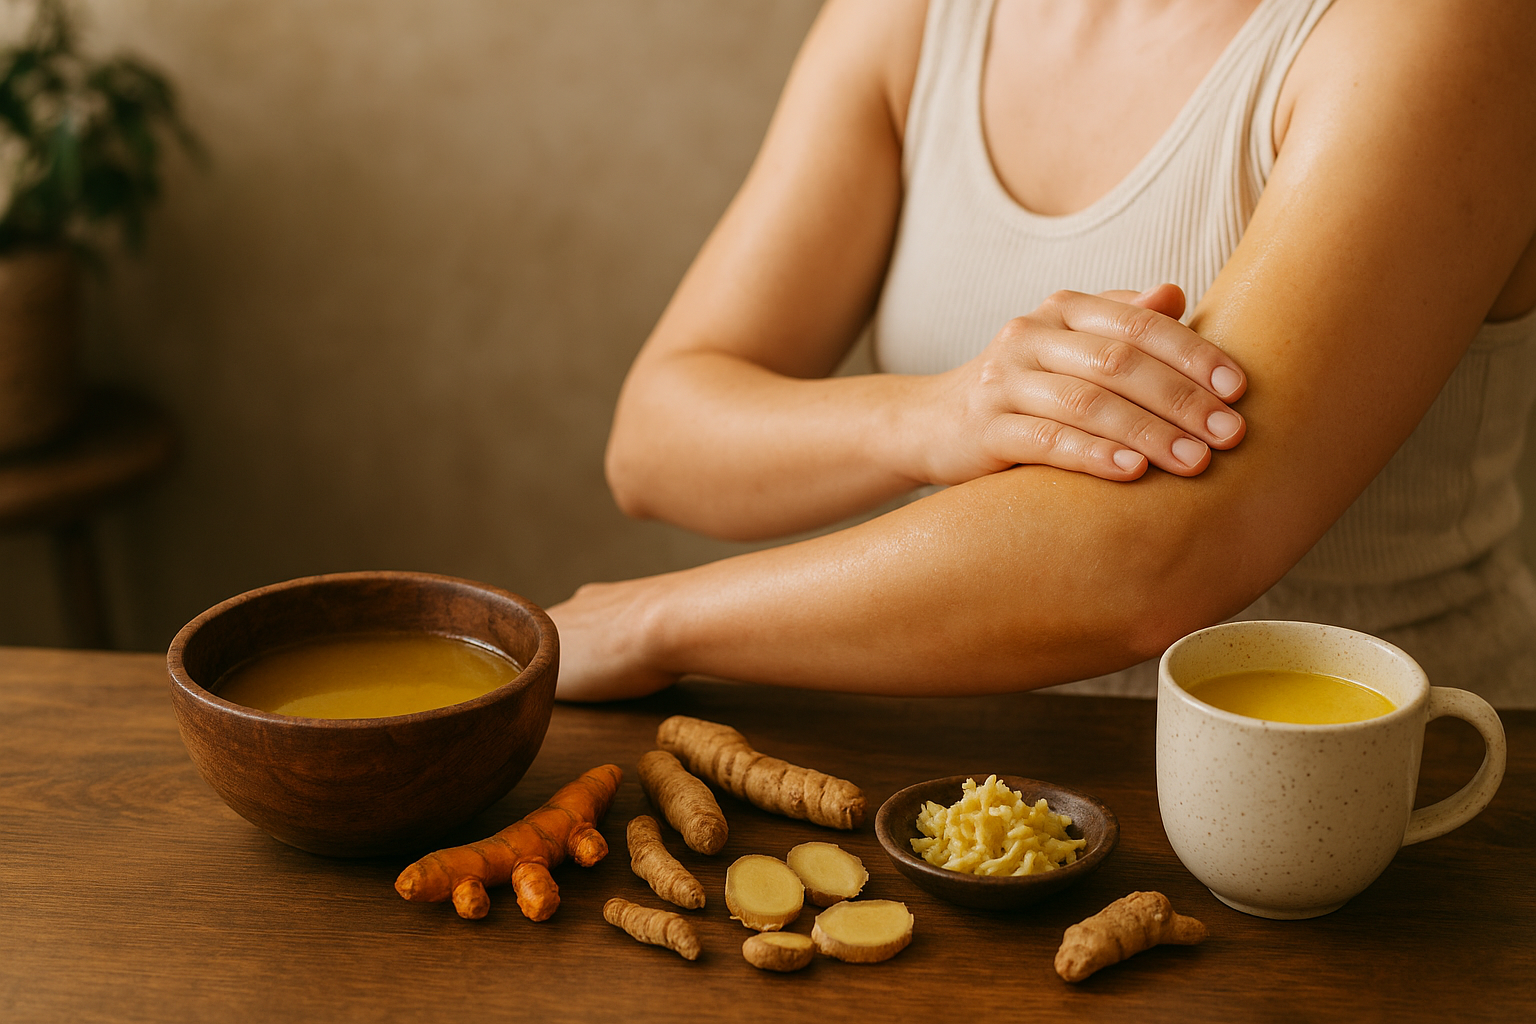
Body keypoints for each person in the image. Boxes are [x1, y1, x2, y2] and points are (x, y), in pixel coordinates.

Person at [549, 0, 1536, 708]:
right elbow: (656, 443)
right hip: (990, 791)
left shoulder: (1444, 26)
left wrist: (652, 624)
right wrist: (934, 416)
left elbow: (1155, 558)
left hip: (1386, 815)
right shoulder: (912, 18)